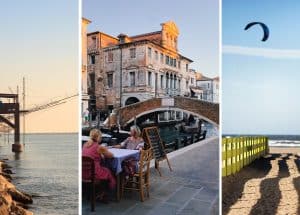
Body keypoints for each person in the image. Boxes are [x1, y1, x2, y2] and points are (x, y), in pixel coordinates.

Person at [82, 129, 116, 198]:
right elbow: (111, 155)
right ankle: (103, 192)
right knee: (108, 171)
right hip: (93, 173)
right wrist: (104, 150)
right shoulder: (99, 147)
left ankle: (97, 191)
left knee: (104, 169)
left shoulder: (85, 145)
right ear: (99, 137)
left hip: (83, 172)